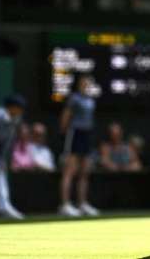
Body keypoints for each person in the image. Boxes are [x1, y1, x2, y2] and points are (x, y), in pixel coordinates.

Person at [58, 75, 100, 217]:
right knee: (70, 171)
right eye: (84, 83)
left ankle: (82, 204)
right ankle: (65, 205)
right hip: (75, 134)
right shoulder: (74, 99)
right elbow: (65, 117)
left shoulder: (90, 100)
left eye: (88, 83)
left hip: (87, 135)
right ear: (79, 84)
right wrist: (65, 134)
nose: (86, 85)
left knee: (84, 172)